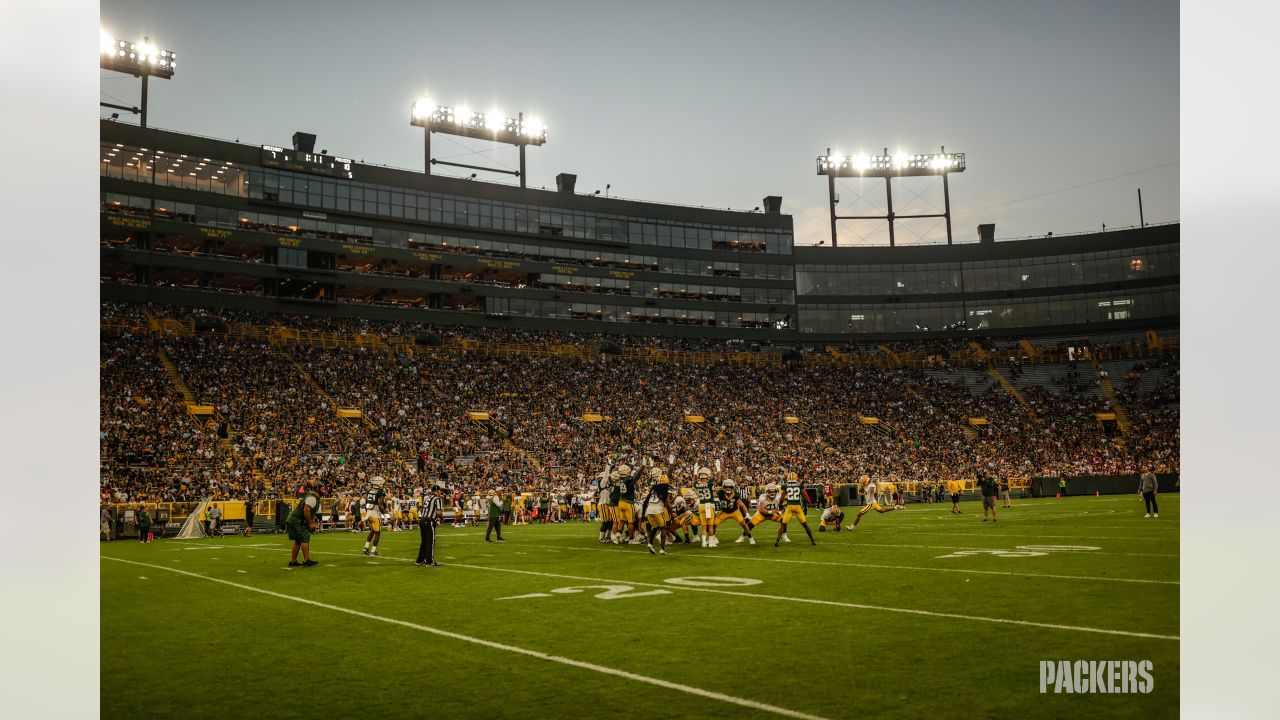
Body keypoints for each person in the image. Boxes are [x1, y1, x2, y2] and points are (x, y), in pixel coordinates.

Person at [640, 467, 675, 555]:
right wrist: (672, 515)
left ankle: (650, 543)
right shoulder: (664, 491)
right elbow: (668, 505)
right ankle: (662, 549)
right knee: (663, 528)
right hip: (657, 510)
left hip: (649, 511)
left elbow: (645, 502)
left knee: (655, 528)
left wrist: (643, 514)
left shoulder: (653, 489)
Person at [285, 483, 320, 567]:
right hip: (296, 520)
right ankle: (306, 560)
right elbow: (306, 511)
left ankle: (293, 561)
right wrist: (311, 523)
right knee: (305, 537)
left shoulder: (311, 496)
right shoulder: (312, 497)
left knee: (297, 541)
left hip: (293, 519)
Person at [778, 471, 817, 546]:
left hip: (789, 506)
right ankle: (812, 540)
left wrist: (780, 506)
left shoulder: (785, 486)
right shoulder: (799, 486)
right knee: (805, 525)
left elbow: (782, 498)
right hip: (797, 506)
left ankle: (777, 541)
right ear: (796, 478)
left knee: (783, 525)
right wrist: (805, 509)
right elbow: (804, 499)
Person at [417, 482, 444, 567]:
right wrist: (441, 518)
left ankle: (420, 560)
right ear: (437, 491)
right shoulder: (437, 499)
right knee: (431, 541)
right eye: (440, 490)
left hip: (422, 520)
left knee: (424, 541)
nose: (440, 492)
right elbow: (439, 511)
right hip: (429, 520)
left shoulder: (427, 498)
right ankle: (429, 561)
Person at [362, 476, 387, 557]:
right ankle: (373, 551)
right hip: (375, 514)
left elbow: (367, 502)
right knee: (377, 533)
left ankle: (365, 547)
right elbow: (380, 503)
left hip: (369, 514)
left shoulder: (369, 490)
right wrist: (385, 514)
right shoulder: (381, 491)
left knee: (372, 531)